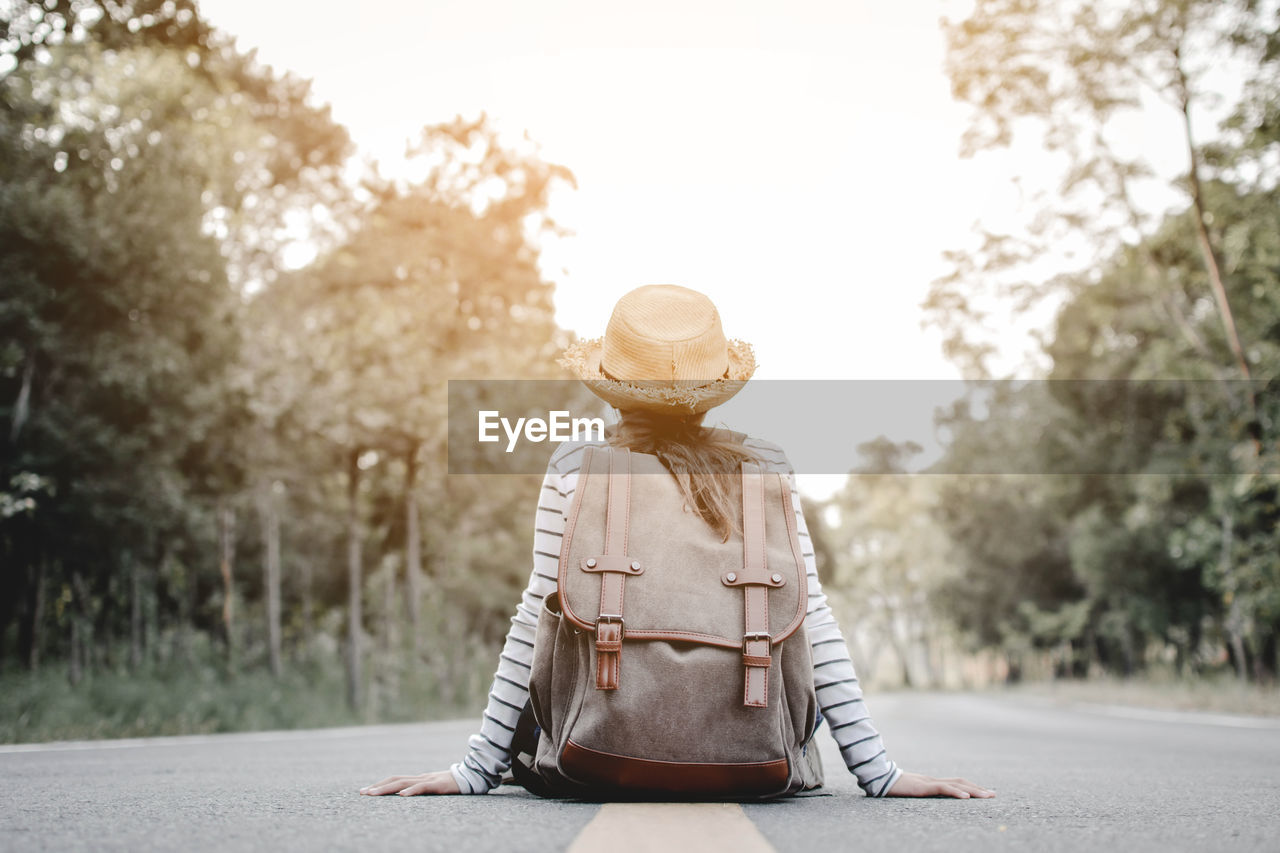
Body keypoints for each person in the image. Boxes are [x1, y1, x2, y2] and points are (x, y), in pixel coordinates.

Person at [361, 284, 994, 801]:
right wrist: (879, 773)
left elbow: (535, 616)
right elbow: (815, 619)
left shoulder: (577, 466)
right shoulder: (765, 467)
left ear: (609, 383)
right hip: (756, 761)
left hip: (593, 756)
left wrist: (476, 769)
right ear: (713, 388)